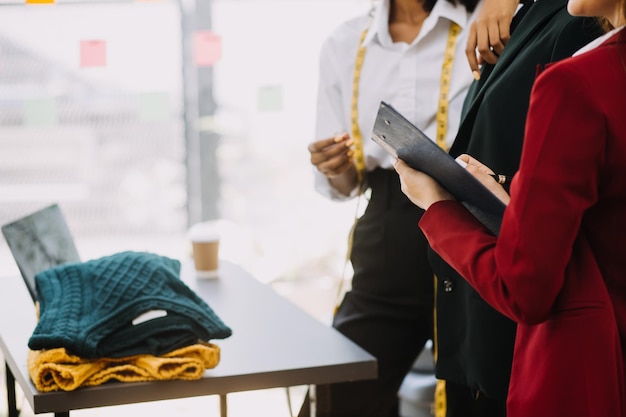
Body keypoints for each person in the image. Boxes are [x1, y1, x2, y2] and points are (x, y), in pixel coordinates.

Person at [394, 1, 626, 414]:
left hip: (589, 372)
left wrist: (437, 205)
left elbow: (525, 290)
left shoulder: (575, 83)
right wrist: (516, 194)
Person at [304, 0, 481, 415]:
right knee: (338, 399)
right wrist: (336, 167)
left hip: (472, 232)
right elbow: (346, 186)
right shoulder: (345, 43)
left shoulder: (485, 22)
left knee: (473, 400)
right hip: (386, 236)